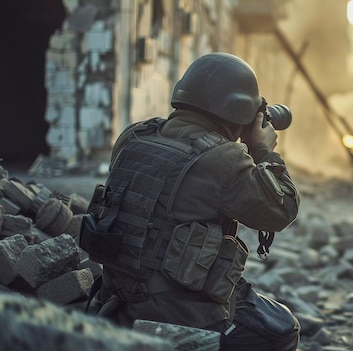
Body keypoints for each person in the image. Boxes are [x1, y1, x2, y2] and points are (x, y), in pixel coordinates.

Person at [79, 52, 301, 350]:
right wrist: (262, 150)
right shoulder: (223, 159)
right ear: (238, 111)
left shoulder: (134, 136)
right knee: (282, 329)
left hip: (113, 303)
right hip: (175, 316)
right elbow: (282, 209)